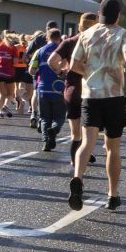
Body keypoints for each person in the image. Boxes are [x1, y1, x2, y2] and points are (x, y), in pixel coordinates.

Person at [67, 0, 126, 211]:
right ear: (118, 16)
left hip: (90, 95)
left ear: (99, 15)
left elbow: (73, 64)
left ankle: (78, 178)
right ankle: (112, 195)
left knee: (87, 142)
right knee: (112, 148)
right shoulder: (124, 34)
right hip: (114, 95)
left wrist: (88, 72)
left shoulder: (86, 34)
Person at [48, 11, 98, 164]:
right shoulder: (99, 43)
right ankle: (85, 154)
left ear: (79, 26)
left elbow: (51, 61)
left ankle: (75, 164)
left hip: (73, 90)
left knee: (75, 133)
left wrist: (61, 71)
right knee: (90, 132)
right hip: (93, 91)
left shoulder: (69, 42)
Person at [34, 29, 66, 151]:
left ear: (47, 37)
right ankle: (54, 129)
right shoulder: (63, 49)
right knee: (60, 117)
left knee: (44, 118)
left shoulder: (40, 51)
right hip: (59, 88)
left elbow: (32, 69)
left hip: (43, 88)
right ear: (59, 38)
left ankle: (46, 142)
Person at [0, 34, 17, 118]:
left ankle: (0, 113)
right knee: (11, 93)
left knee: (2, 94)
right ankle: (6, 105)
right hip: (10, 72)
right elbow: (15, 62)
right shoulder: (14, 48)